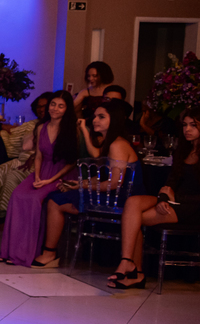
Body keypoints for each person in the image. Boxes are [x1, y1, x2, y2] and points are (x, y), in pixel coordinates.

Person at [31, 98, 141, 268]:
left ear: (114, 120)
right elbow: (104, 176)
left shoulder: (117, 145)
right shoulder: (109, 142)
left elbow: (114, 184)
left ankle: (50, 253)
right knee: (56, 196)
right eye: (95, 116)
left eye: (101, 117)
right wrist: (78, 183)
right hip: (112, 194)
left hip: (120, 199)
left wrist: (82, 186)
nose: (95, 120)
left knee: (55, 201)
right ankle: (49, 252)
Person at [111, 107, 200, 290]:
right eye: (185, 125)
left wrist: (173, 198)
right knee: (133, 202)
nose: (187, 129)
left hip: (193, 207)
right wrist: (163, 199)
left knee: (134, 220)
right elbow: (170, 182)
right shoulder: (183, 150)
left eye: (193, 125)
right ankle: (127, 262)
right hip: (175, 201)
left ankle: (135, 271)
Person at [0, 90, 78, 266]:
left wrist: (50, 180)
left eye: (61, 106)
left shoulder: (72, 129)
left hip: (62, 174)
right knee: (17, 195)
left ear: (67, 109)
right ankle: (11, 250)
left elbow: (72, 162)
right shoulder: (41, 127)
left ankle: (29, 251)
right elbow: (39, 155)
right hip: (43, 172)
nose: (55, 108)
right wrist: (38, 176)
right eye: (53, 104)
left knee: (34, 199)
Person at [0, 92, 54, 218]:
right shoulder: (32, 124)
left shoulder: (53, 125)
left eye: (44, 106)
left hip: (37, 163)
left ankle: (7, 215)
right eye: (39, 106)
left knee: (11, 177)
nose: (41, 109)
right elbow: (13, 134)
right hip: (21, 159)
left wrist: (33, 156)